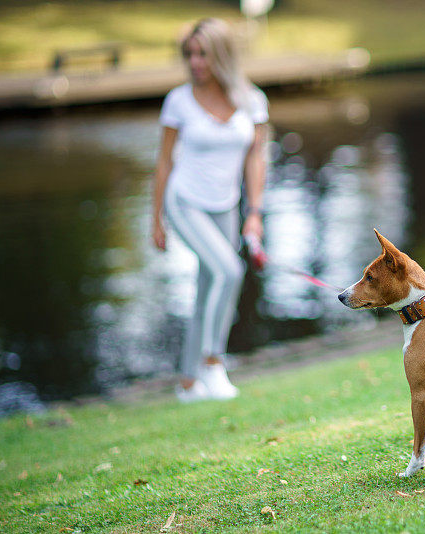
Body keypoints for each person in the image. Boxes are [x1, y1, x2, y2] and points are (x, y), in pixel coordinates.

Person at [152, 18, 268, 402]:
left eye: (202, 53)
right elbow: (164, 162)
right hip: (184, 201)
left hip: (227, 206)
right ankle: (213, 363)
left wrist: (254, 212)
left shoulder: (252, 100)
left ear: (221, 54)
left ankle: (188, 382)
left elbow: (256, 158)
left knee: (208, 286)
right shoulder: (178, 101)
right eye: (189, 54)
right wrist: (156, 219)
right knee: (228, 270)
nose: (195, 61)